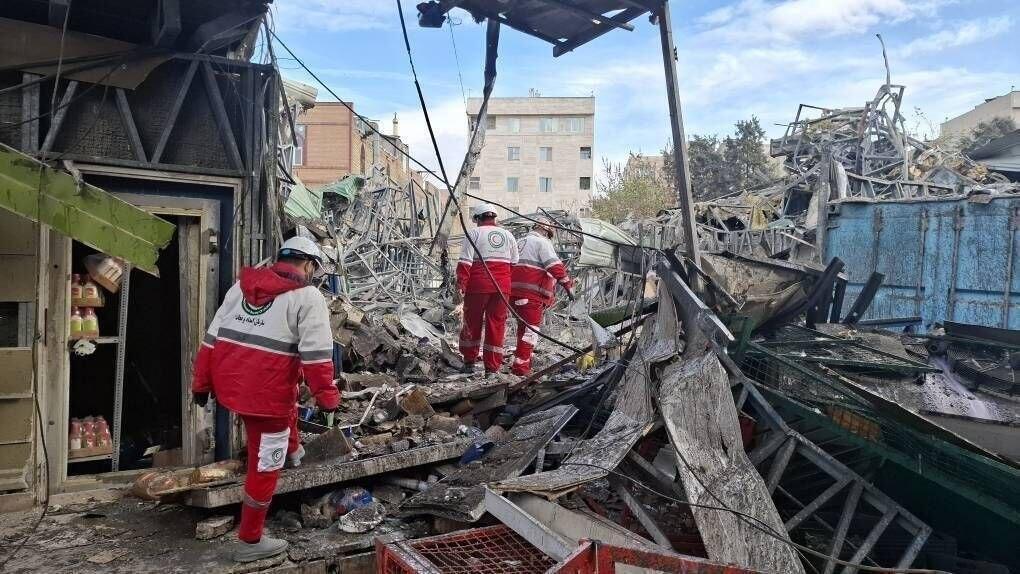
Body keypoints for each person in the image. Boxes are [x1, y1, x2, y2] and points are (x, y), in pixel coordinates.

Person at [191, 236, 339, 563]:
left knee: (286, 402)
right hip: (266, 397)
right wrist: (328, 400)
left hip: (232, 388)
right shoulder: (307, 296)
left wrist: (200, 384)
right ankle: (250, 539)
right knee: (264, 463)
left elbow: (210, 341)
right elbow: (316, 358)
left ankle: (293, 449)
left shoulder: (240, 288)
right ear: (308, 265)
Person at [457, 203, 519, 374]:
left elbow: (465, 262)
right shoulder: (508, 235)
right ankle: (492, 368)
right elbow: (514, 262)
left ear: (478, 218)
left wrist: (461, 284)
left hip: (477, 287)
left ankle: (469, 362)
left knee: (472, 322)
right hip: (502, 288)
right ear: (494, 217)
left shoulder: (474, 233)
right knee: (496, 325)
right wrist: (502, 279)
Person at [509, 219, 573, 376]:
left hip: (513, 295)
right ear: (545, 232)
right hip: (531, 295)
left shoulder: (519, 242)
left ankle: (523, 364)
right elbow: (555, 266)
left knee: (523, 331)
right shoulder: (542, 243)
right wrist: (568, 286)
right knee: (530, 333)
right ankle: (521, 370)